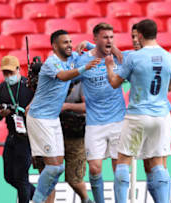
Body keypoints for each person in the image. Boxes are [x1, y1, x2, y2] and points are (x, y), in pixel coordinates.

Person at [105, 19, 171, 203]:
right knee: (157, 163)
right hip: (162, 116)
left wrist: (108, 67)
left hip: (138, 115)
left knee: (123, 160)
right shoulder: (168, 57)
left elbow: (114, 83)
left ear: (141, 36)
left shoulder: (134, 58)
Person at [26, 29, 100, 203]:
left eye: (70, 41)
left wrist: (89, 45)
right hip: (39, 118)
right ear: (54, 46)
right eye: (64, 42)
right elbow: (63, 76)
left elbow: (102, 53)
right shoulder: (52, 63)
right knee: (52, 167)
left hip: (52, 119)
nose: (69, 45)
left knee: (57, 168)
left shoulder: (73, 58)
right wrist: (84, 68)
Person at [75, 23, 126, 203]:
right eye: (105, 37)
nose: (109, 41)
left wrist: (91, 45)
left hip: (118, 120)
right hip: (95, 123)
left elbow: (130, 57)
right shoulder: (82, 62)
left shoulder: (119, 59)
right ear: (96, 38)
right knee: (95, 169)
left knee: (119, 169)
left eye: (111, 37)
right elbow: (66, 76)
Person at [0, 55, 35, 203]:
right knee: (9, 176)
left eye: (10, 72)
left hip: (27, 136)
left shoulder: (29, 85)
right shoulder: (0, 89)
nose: (8, 76)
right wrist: (1, 113)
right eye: (5, 73)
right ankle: (37, 194)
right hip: (11, 135)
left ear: (18, 69)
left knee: (21, 177)